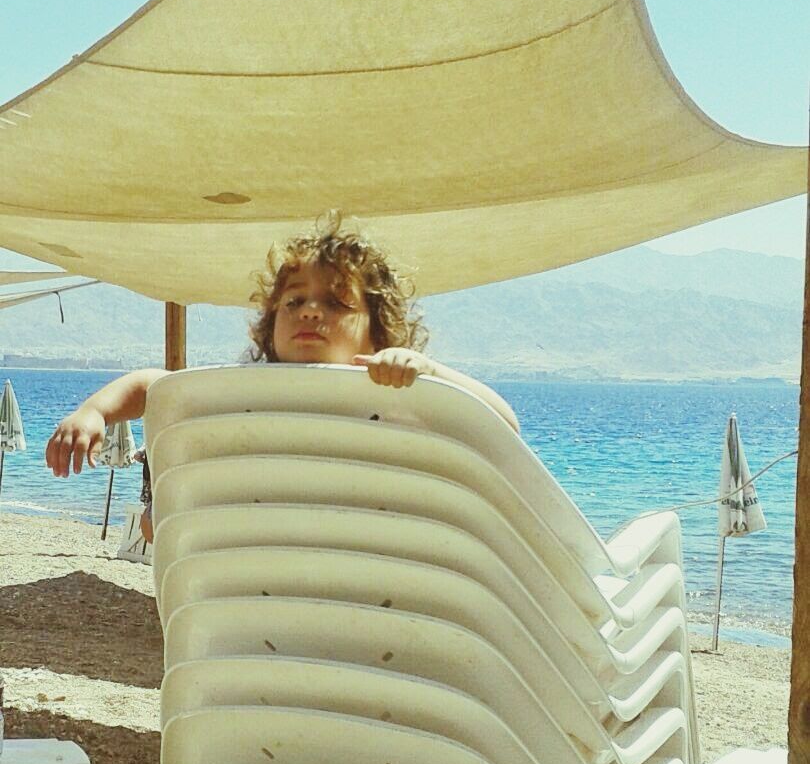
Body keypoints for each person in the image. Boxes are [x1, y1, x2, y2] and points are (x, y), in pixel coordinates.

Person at [45, 215, 520, 538]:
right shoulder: (255, 389)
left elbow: (501, 425)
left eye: (336, 302)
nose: (311, 310)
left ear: (379, 333)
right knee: (161, 520)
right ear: (270, 324)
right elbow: (154, 385)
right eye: (294, 302)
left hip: (368, 569)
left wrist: (430, 374)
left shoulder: (397, 396)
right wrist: (93, 412)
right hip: (267, 562)